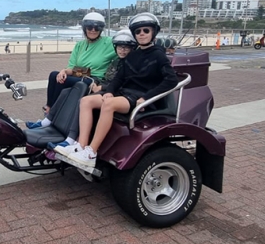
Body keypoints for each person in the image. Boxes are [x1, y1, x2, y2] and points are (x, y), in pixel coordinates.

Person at [56, 13, 178, 168]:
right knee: (86, 101)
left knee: (109, 105)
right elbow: (119, 78)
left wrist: (147, 97)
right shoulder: (133, 55)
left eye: (146, 31)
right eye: (138, 31)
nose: (141, 34)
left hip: (140, 97)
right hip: (123, 93)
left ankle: (91, 152)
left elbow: (171, 80)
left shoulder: (158, 55)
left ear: (153, 32)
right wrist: (109, 91)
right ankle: (81, 144)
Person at [26, 30, 138, 148]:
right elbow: (98, 71)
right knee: (63, 88)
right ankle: (48, 119)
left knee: (80, 93)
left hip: (105, 86)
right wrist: (67, 70)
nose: (122, 50)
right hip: (97, 80)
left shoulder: (126, 60)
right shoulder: (115, 61)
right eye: (120, 47)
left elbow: (122, 82)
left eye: (126, 48)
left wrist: (102, 86)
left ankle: (71, 137)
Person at [42, 12, 116, 113]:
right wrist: (63, 71)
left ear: (101, 29)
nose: (93, 30)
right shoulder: (80, 45)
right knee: (54, 75)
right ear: (85, 28)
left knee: (63, 81)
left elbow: (125, 45)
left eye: (97, 28)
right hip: (83, 73)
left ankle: (52, 115)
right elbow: (72, 67)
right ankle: (49, 107)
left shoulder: (108, 43)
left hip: (95, 78)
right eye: (90, 27)